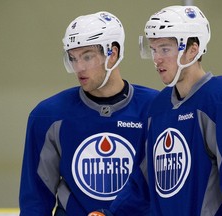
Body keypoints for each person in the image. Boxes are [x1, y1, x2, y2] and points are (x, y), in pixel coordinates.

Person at [90, 5, 222, 216]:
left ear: (192, 49)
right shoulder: (158, 107)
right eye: (153, 49)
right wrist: (111, 214)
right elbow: (143, 183)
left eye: (165, 49)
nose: (156, 58)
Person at [19, 11, 158, 216]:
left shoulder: (155, 108)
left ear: (113, 53)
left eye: (87, 56)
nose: (79, 68)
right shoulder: (48, 115)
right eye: (73, 58)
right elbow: (35, 200)